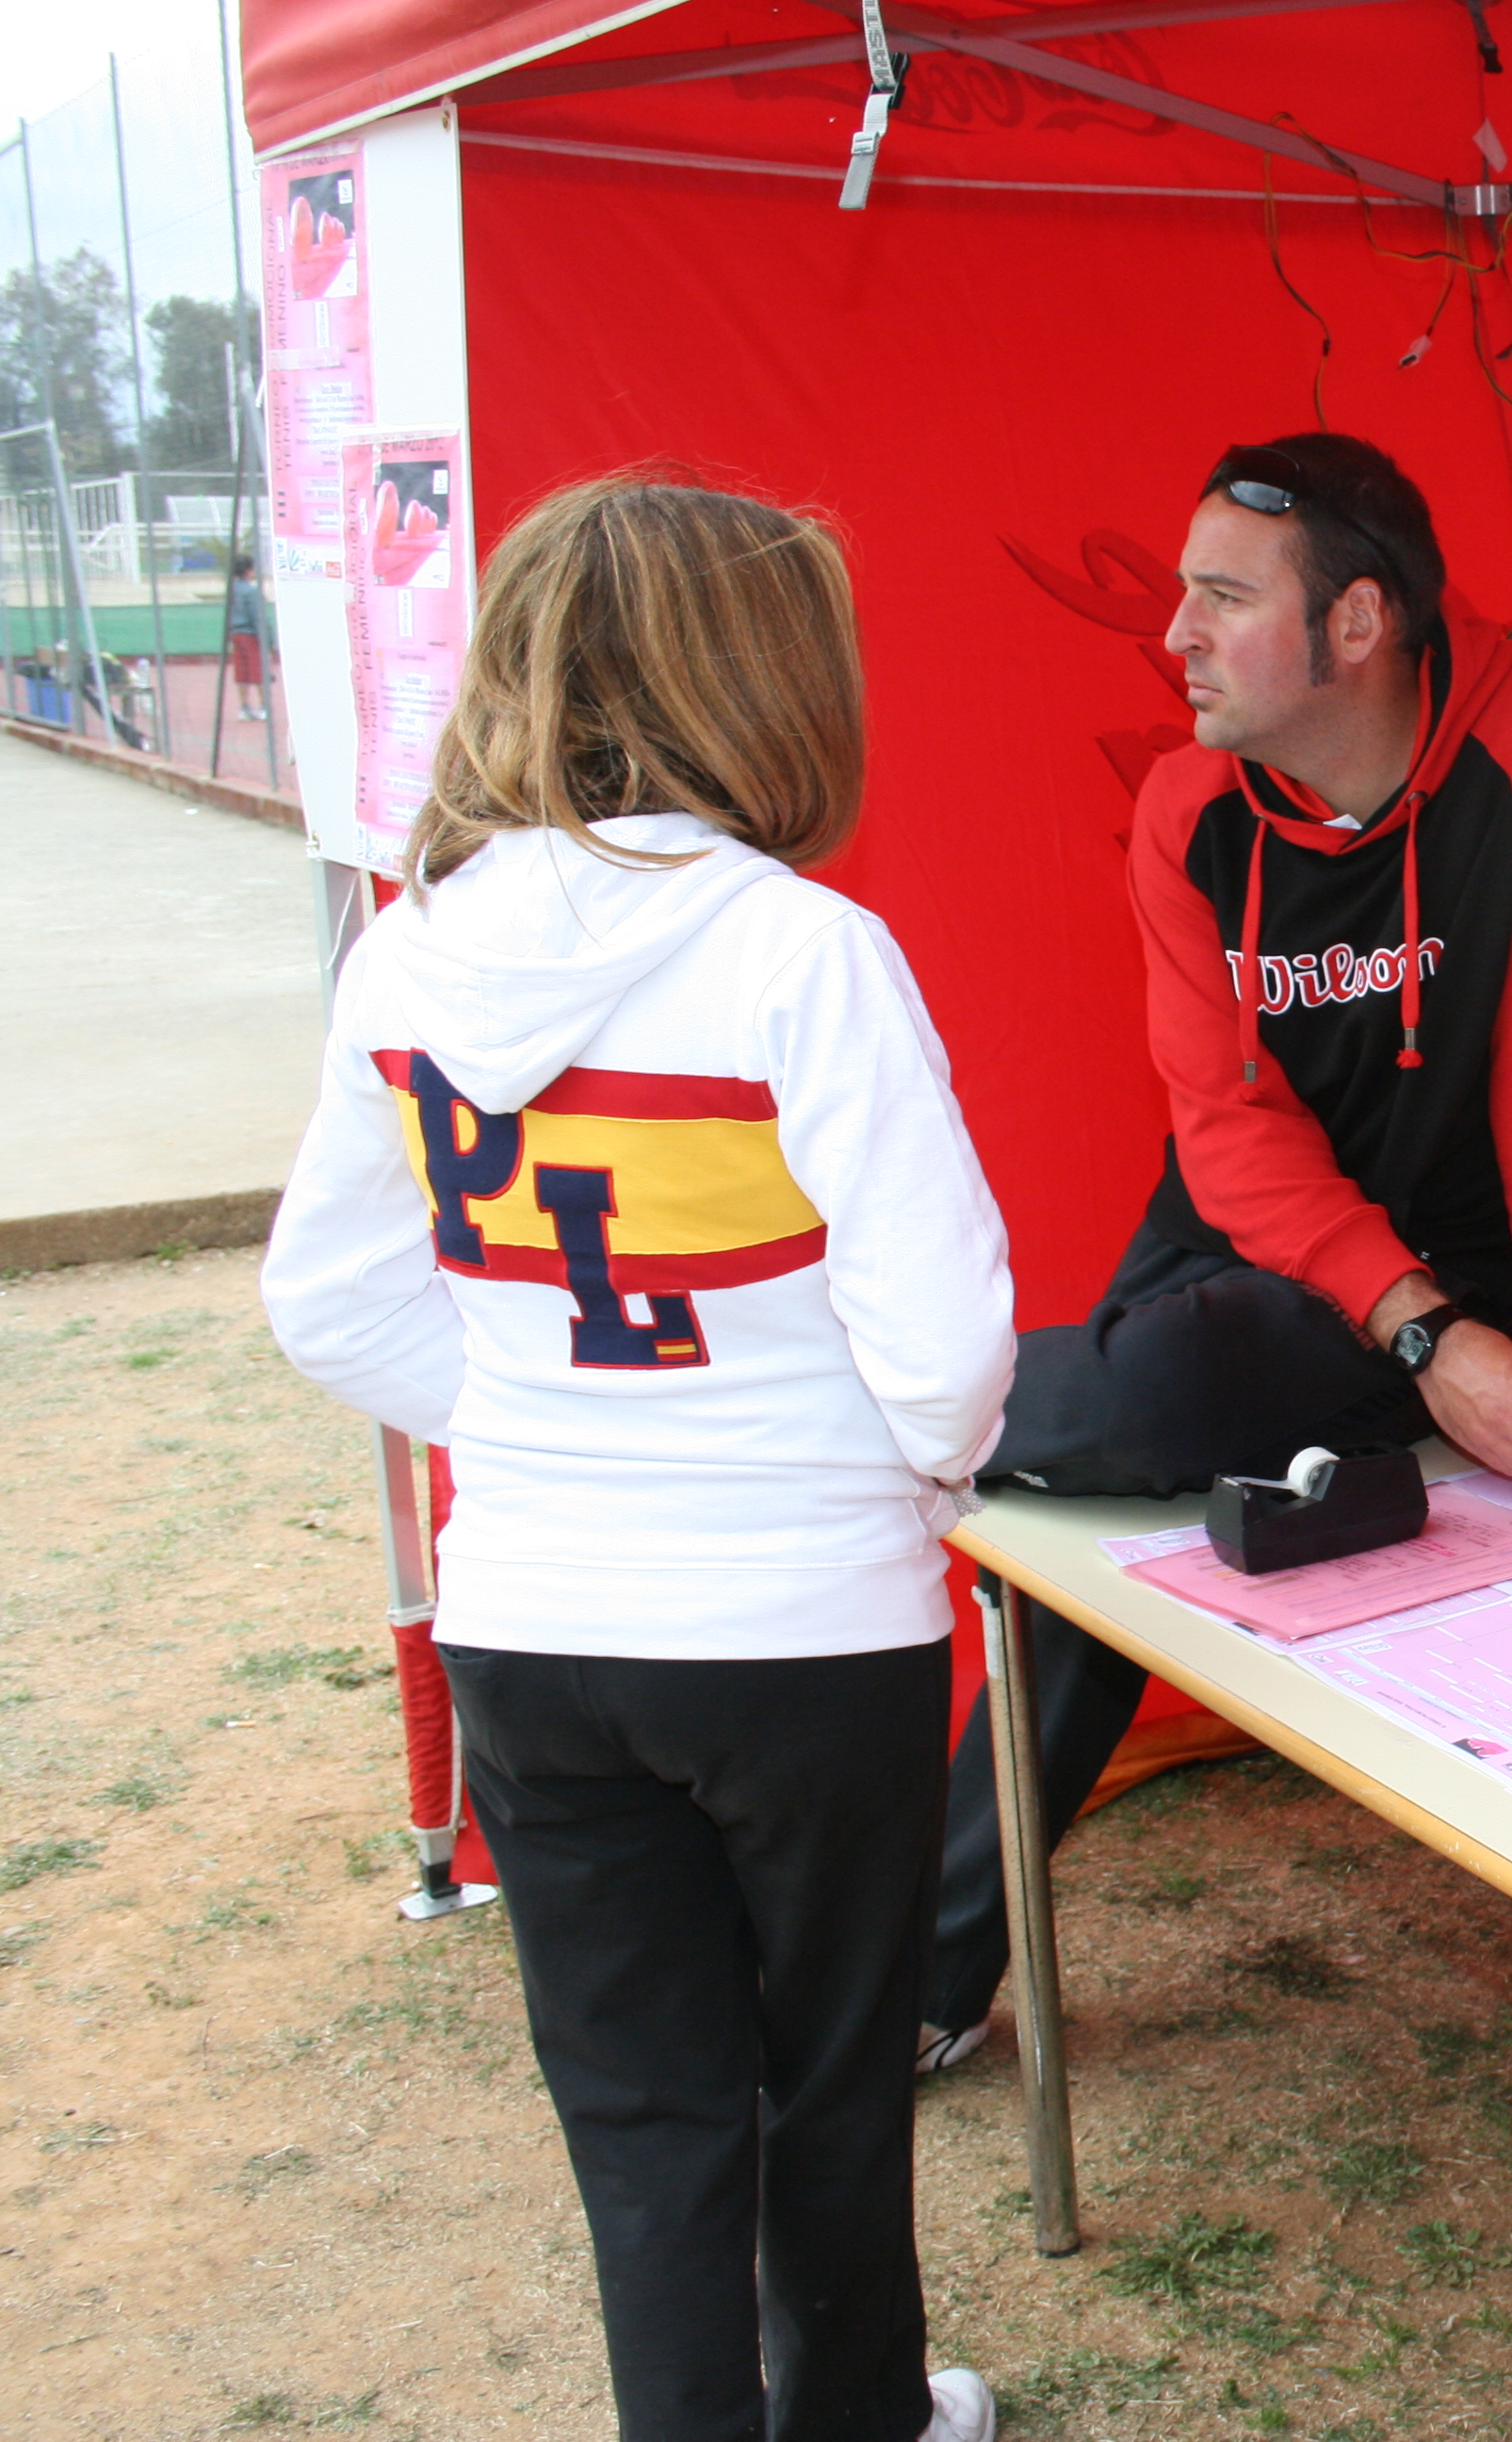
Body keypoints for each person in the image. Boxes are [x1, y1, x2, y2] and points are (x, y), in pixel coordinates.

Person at [261, 477, 1015, 2442]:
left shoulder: (406, 955)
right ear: (768, 682)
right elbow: (945, 1348)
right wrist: (891, 1479)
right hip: (808, 1631)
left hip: (531, 1622)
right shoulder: (805, 950)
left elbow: (326, 1300)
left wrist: (543, 1428)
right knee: (824, 2082)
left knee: (644, 2120)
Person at [924, 431, 1512, 2067]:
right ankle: (929, 1971)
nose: (1176, 634)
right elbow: (1227, 1130)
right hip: (1275, 1237)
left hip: (1458, 1257)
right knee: (1113, 1490)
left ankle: (912, 1415)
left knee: (1157, 1415)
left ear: (1357, 623)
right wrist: (1417, 1332)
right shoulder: (1185, 810)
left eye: (1223, 597)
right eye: (1183, 594)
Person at [223, 553, 270, 721]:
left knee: (241, 672)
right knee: (258, 671)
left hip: (235, 634)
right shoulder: (251, 591)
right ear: (248, 571)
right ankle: (264, 706)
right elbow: (257, 616)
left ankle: (244, 707)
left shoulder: (230, 591)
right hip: (251, 635)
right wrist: (267, 639)